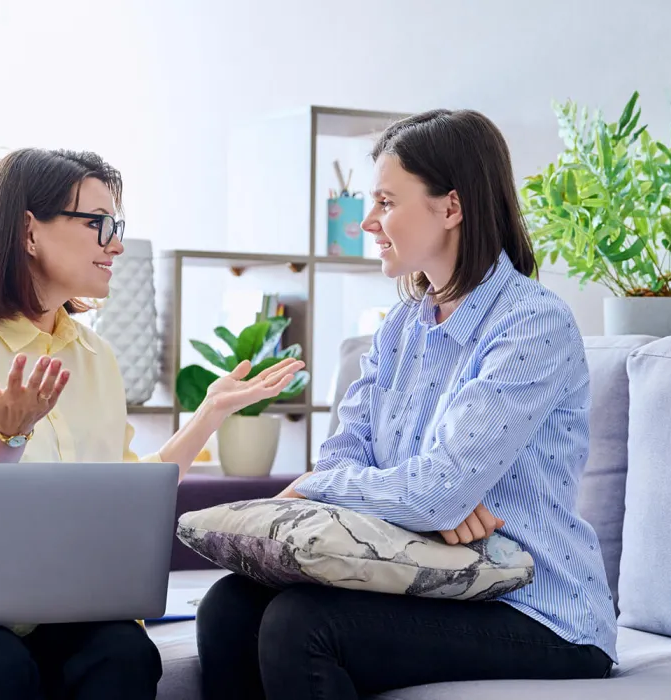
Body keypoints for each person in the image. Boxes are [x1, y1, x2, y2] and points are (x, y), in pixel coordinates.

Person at [0, 148, 303, 700]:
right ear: (29, 231)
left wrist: (210, 413)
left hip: (53, 609)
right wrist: (7, 437)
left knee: (125, 653)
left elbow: (126, 489)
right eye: (98, 224)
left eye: (119, 226)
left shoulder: (93, 356)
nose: (115, 244)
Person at [196, 109, 617, 699]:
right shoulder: (401, 327)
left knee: (302, 626)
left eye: (387, 202)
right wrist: (421, 500)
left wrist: (337, 488)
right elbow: (356, 461)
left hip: (536, 608)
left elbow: (431, 492)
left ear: (451, 207)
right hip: (431, 576)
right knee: (228, 606)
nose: (369, 221)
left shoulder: (532, 323)